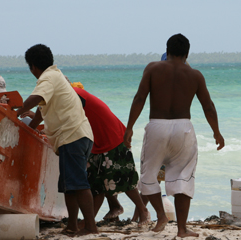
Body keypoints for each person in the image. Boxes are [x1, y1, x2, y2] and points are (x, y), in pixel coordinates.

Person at [123, 33, 225, 238]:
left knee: (148, 174)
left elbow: (139, 98)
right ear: (187, 54)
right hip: (183, 129)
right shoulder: (195, 75)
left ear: (167, 50)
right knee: (183, 178)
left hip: (156, 126)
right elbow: (209, 107)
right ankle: (182, 229)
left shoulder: (152, 68)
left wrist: (129, 128)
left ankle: (161, 215)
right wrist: (217, 132)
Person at [16, 44, 98, 236]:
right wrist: (29, 129)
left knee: (78, 183)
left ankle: (90, 227)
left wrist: (15, 112)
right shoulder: (56, 75)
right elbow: (39, 113)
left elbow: (35, 98)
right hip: (77, 136)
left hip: (72, 136)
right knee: (68, 186)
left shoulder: (47, 77)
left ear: (33, 67)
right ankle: (72, 225)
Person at [72, 86, 149, 228]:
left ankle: (142, 209)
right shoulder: (71, 94)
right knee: (98, 181)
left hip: (112, 136)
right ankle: (104, 213)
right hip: (97, 140)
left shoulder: (74, 94)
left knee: (123, 177)